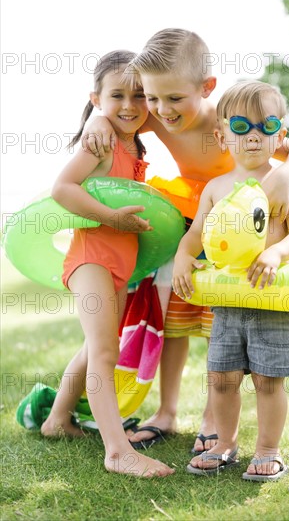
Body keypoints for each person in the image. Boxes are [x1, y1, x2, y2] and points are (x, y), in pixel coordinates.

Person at [82, 29, 289, 454]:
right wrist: (98, 118)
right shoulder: (155, 110)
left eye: (173, 99)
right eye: (153, 98)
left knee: (216, 322)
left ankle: (213, 417)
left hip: (237, 223)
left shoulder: (231, 121)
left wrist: (285, 173)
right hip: (189, 219)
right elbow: (121, 113)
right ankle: (166, 411)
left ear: (206, 87)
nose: (160, 110)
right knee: (174, 318)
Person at [40, 50, 174, 478]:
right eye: (117, 95)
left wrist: (106, 113)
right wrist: (113, 218)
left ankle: (58, 420)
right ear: (96, 97)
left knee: (93, 345)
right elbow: (63, 188)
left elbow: (168, 112)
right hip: (92, 258)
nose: (130, 105)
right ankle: (117, 450)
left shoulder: (132, 138)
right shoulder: (99, 142)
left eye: (140, 95)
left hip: (120, 262)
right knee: (103, 350)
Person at [172, 80, 289, 480]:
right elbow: (195, 235)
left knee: (269, 380)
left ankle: (269, 448)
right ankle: (224, 442)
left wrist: (277, 251)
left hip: (272, 301)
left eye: (266, 127)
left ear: (280, 134)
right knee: (222, 378)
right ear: (221, 135)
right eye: (240, 126)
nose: (253, 136)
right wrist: (183, 256)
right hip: (228, 304)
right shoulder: (216, 189)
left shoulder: (284, 183)